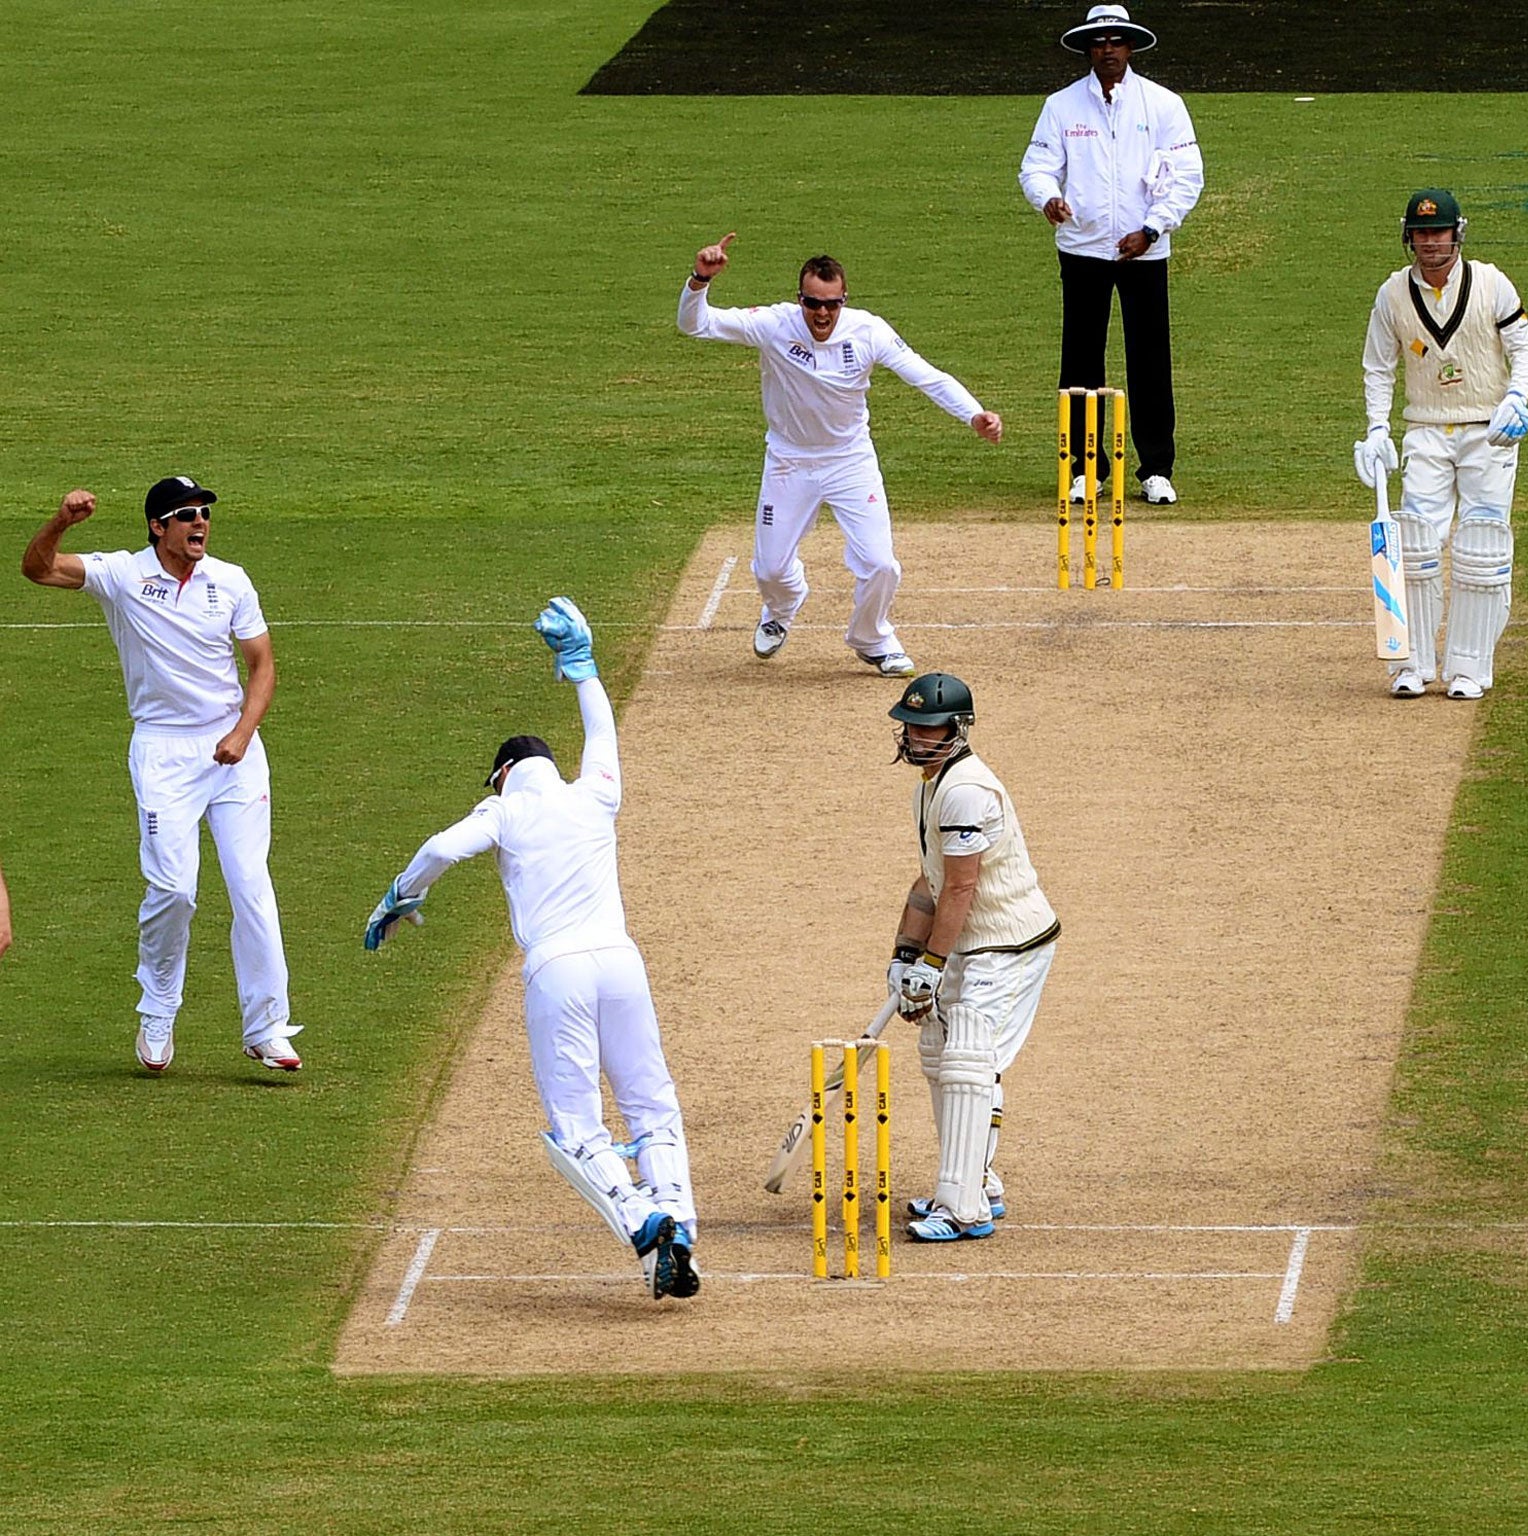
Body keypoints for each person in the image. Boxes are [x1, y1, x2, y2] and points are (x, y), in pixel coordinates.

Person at [364, 599, 701, 1299]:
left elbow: (439, 849)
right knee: (651, 1105)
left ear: (503, 773)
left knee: (575, 1129)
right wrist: (581, 669)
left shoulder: (506, 805)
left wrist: (402, 895)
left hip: (557, 970)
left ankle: (642, 1219)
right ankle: (681, 1222)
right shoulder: (594, 793)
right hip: (621, 959)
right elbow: (602, 732)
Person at [21, 479, 298, 1073]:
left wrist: (242, 734)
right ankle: (159, 1007)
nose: (200, 523)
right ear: (158, 527)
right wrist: (61, 522)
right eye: (186, 516)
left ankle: (266, 1027)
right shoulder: (123, 576)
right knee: (175, 889)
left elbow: (262, 664)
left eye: (204, 514)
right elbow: (37, 570)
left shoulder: (232, 581)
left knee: (252, 888)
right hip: (164, 753)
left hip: (235, 750)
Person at [677, 233, 1004, 678]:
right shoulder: (773, 324)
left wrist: (974, 414)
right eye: (813, 304)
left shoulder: (868, 331)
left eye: (832, 304)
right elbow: (695, 324)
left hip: (850, 460)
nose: (823, 314)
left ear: (843, 300)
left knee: (881, 563)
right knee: (771, 568)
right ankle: (782, 606)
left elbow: (927, 377)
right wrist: (700, 280)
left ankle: (872, 639)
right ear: (800, 300)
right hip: (789, 460)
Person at [881, 673, 1060, 1242]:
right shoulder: (930, 788)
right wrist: (904, 955)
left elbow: (962, 888)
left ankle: (964, 1207)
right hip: (968, 940)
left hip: (1008, 943)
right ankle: (974, 1181)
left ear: (957, 730)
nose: (913, 736)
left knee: (967, 1060)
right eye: (909, 726)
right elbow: (930, 881)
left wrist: (930, 970)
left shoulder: (967, 792)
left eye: (927, 728)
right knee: (938, 1051)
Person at [1356, 189, 1528, 701]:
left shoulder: (1491, 283)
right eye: (1421, 233)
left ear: (1457, 233)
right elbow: (1378, 367)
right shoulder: (1392, 295)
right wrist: (1376, 429)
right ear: (1408, 237)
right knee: (1416, 543)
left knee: (1482, 544)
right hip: (1426, 429)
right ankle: (1413, 663)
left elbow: (1524, 352)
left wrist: (1516, 398)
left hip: (1489, 431)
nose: (1430, 242)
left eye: (1438, 232)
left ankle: (1469, 666)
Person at [1022, 3, 1203, 507]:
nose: (1107, 50)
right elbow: (1036, 167)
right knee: (1080, 359)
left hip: (1144, 250)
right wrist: (1047, 198)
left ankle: (1156, 469)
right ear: (1087, 49)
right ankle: (1085, 470)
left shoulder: (1163, 105)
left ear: (1130, 46)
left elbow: (1188, 176)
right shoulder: (1061, 107)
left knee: (1150, 358)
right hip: (1082, 248)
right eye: (1098, 42)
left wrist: (1152, 228)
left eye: (1116, 41)